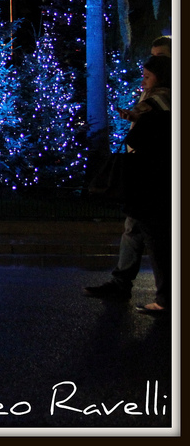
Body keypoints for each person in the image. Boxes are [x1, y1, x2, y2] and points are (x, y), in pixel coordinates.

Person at [84, 55, 171, 314]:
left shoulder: (158, 101)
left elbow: (143, 133)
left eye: (147, 76)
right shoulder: (160, 101)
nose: (143, 81)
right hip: (154, 178)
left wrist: (136, 120)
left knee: (155, 238)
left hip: (151, 179)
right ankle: (122, 282)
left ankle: (164, 298)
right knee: (136, 230)